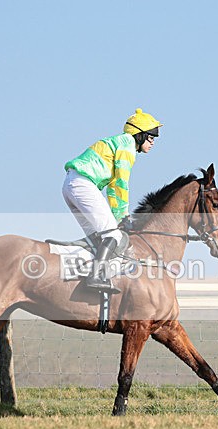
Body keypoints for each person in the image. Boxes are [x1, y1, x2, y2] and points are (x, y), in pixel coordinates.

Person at [62, 108, 162, 292]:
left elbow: (112, 187)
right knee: (113, 235)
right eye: (150, 137)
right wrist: (123, 216)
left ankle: (83, 275)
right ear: (139, 135)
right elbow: (120, 184)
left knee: (97, 238)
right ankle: (94, 277)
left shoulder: (120, 142)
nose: (153, 142)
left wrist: (119, 216)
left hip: (72, 185)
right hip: (83, 185)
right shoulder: (127, 145)